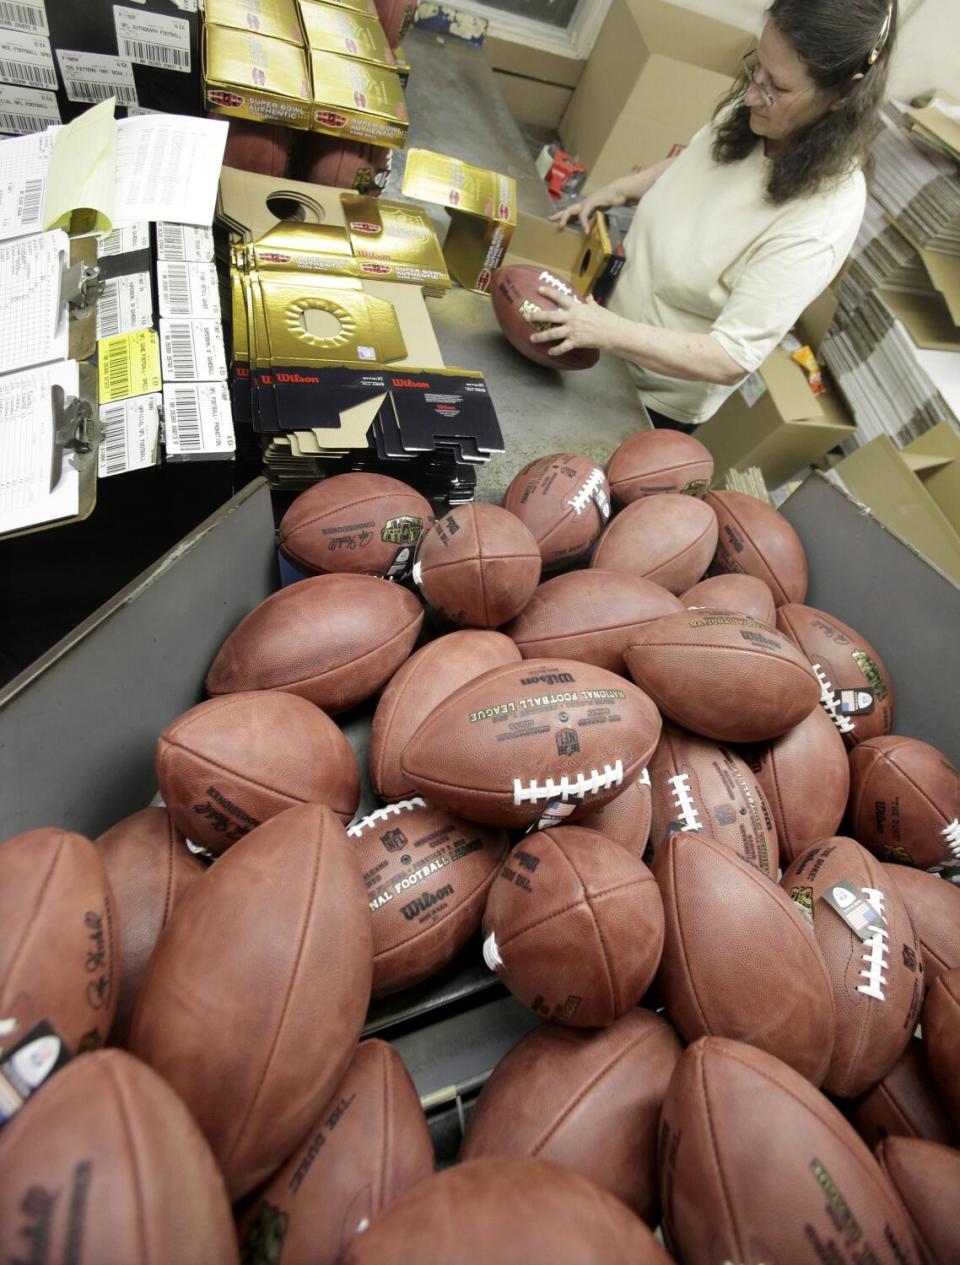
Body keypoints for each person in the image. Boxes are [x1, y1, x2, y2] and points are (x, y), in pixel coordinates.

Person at [532, 0, 897, 433]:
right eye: (755, 68)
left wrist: (606, 331)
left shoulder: (820, 216)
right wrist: (621, 190)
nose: (751, 94)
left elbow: (731, 357)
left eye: (775, 88)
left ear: (843, 95)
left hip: (646, 397)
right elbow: (699, 161)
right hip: (604, 327)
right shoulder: (760, 115)